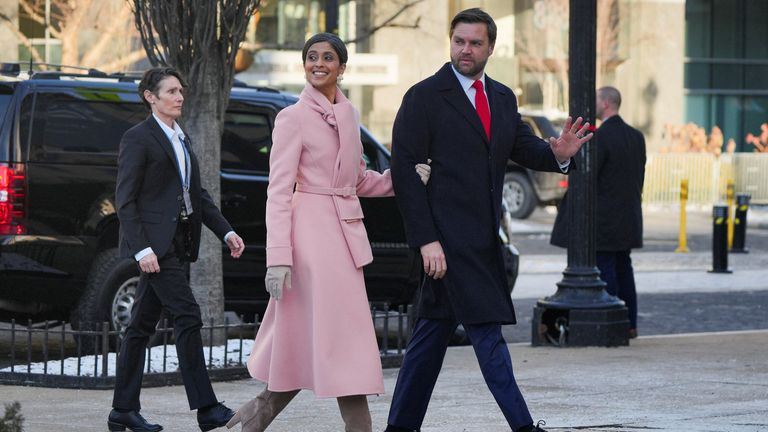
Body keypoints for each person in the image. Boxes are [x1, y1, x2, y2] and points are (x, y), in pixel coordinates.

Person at [386, 8, 593, 432]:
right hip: (445, 244)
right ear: (450, 42)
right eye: (459, 41)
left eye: (475, 43)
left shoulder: (501, 97)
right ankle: (524, 427)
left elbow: (519, 146)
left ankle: (399, 428)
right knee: (488, 338)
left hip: (483, 239)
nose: (466, 49)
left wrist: (556, 154)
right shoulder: (423, 97)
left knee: (428, 341)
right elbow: (405, 174)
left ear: (490, 48)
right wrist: (426, 241)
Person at [227, 33, 430, 432]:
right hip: (309, 241)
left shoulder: (350, 114)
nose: (318, 63)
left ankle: (258, 412)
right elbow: (278, 192)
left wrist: (401, 179)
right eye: (311, 57)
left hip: (346, 239)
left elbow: (355, 179)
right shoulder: (292, 118)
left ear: (342, 66)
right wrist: (279, 258)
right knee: (326, 344)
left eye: (328, 57)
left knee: (332, 345)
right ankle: (261, 411)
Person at [108, 67, 246, 432]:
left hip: (176, 245)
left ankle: (123, 410)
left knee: (139, 328)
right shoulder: (139, 138)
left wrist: (225, 231)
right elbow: (125, 201)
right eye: (171, 91)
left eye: (181, 90)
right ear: (150, 97)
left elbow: (195, 195)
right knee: (187, 316)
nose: (179, 96)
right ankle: (206, 408)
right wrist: (142, 250)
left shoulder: (180, 138)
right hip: (156, 250)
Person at [550, 86, 646, 339]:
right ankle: (629, 322)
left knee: (606, 270)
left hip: (603, 220)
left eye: (595, 100)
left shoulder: (600, 138)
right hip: (628, 217)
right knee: (624, 267)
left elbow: (587, 178)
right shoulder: (637, 137)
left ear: (605, 104)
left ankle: (612, 321)